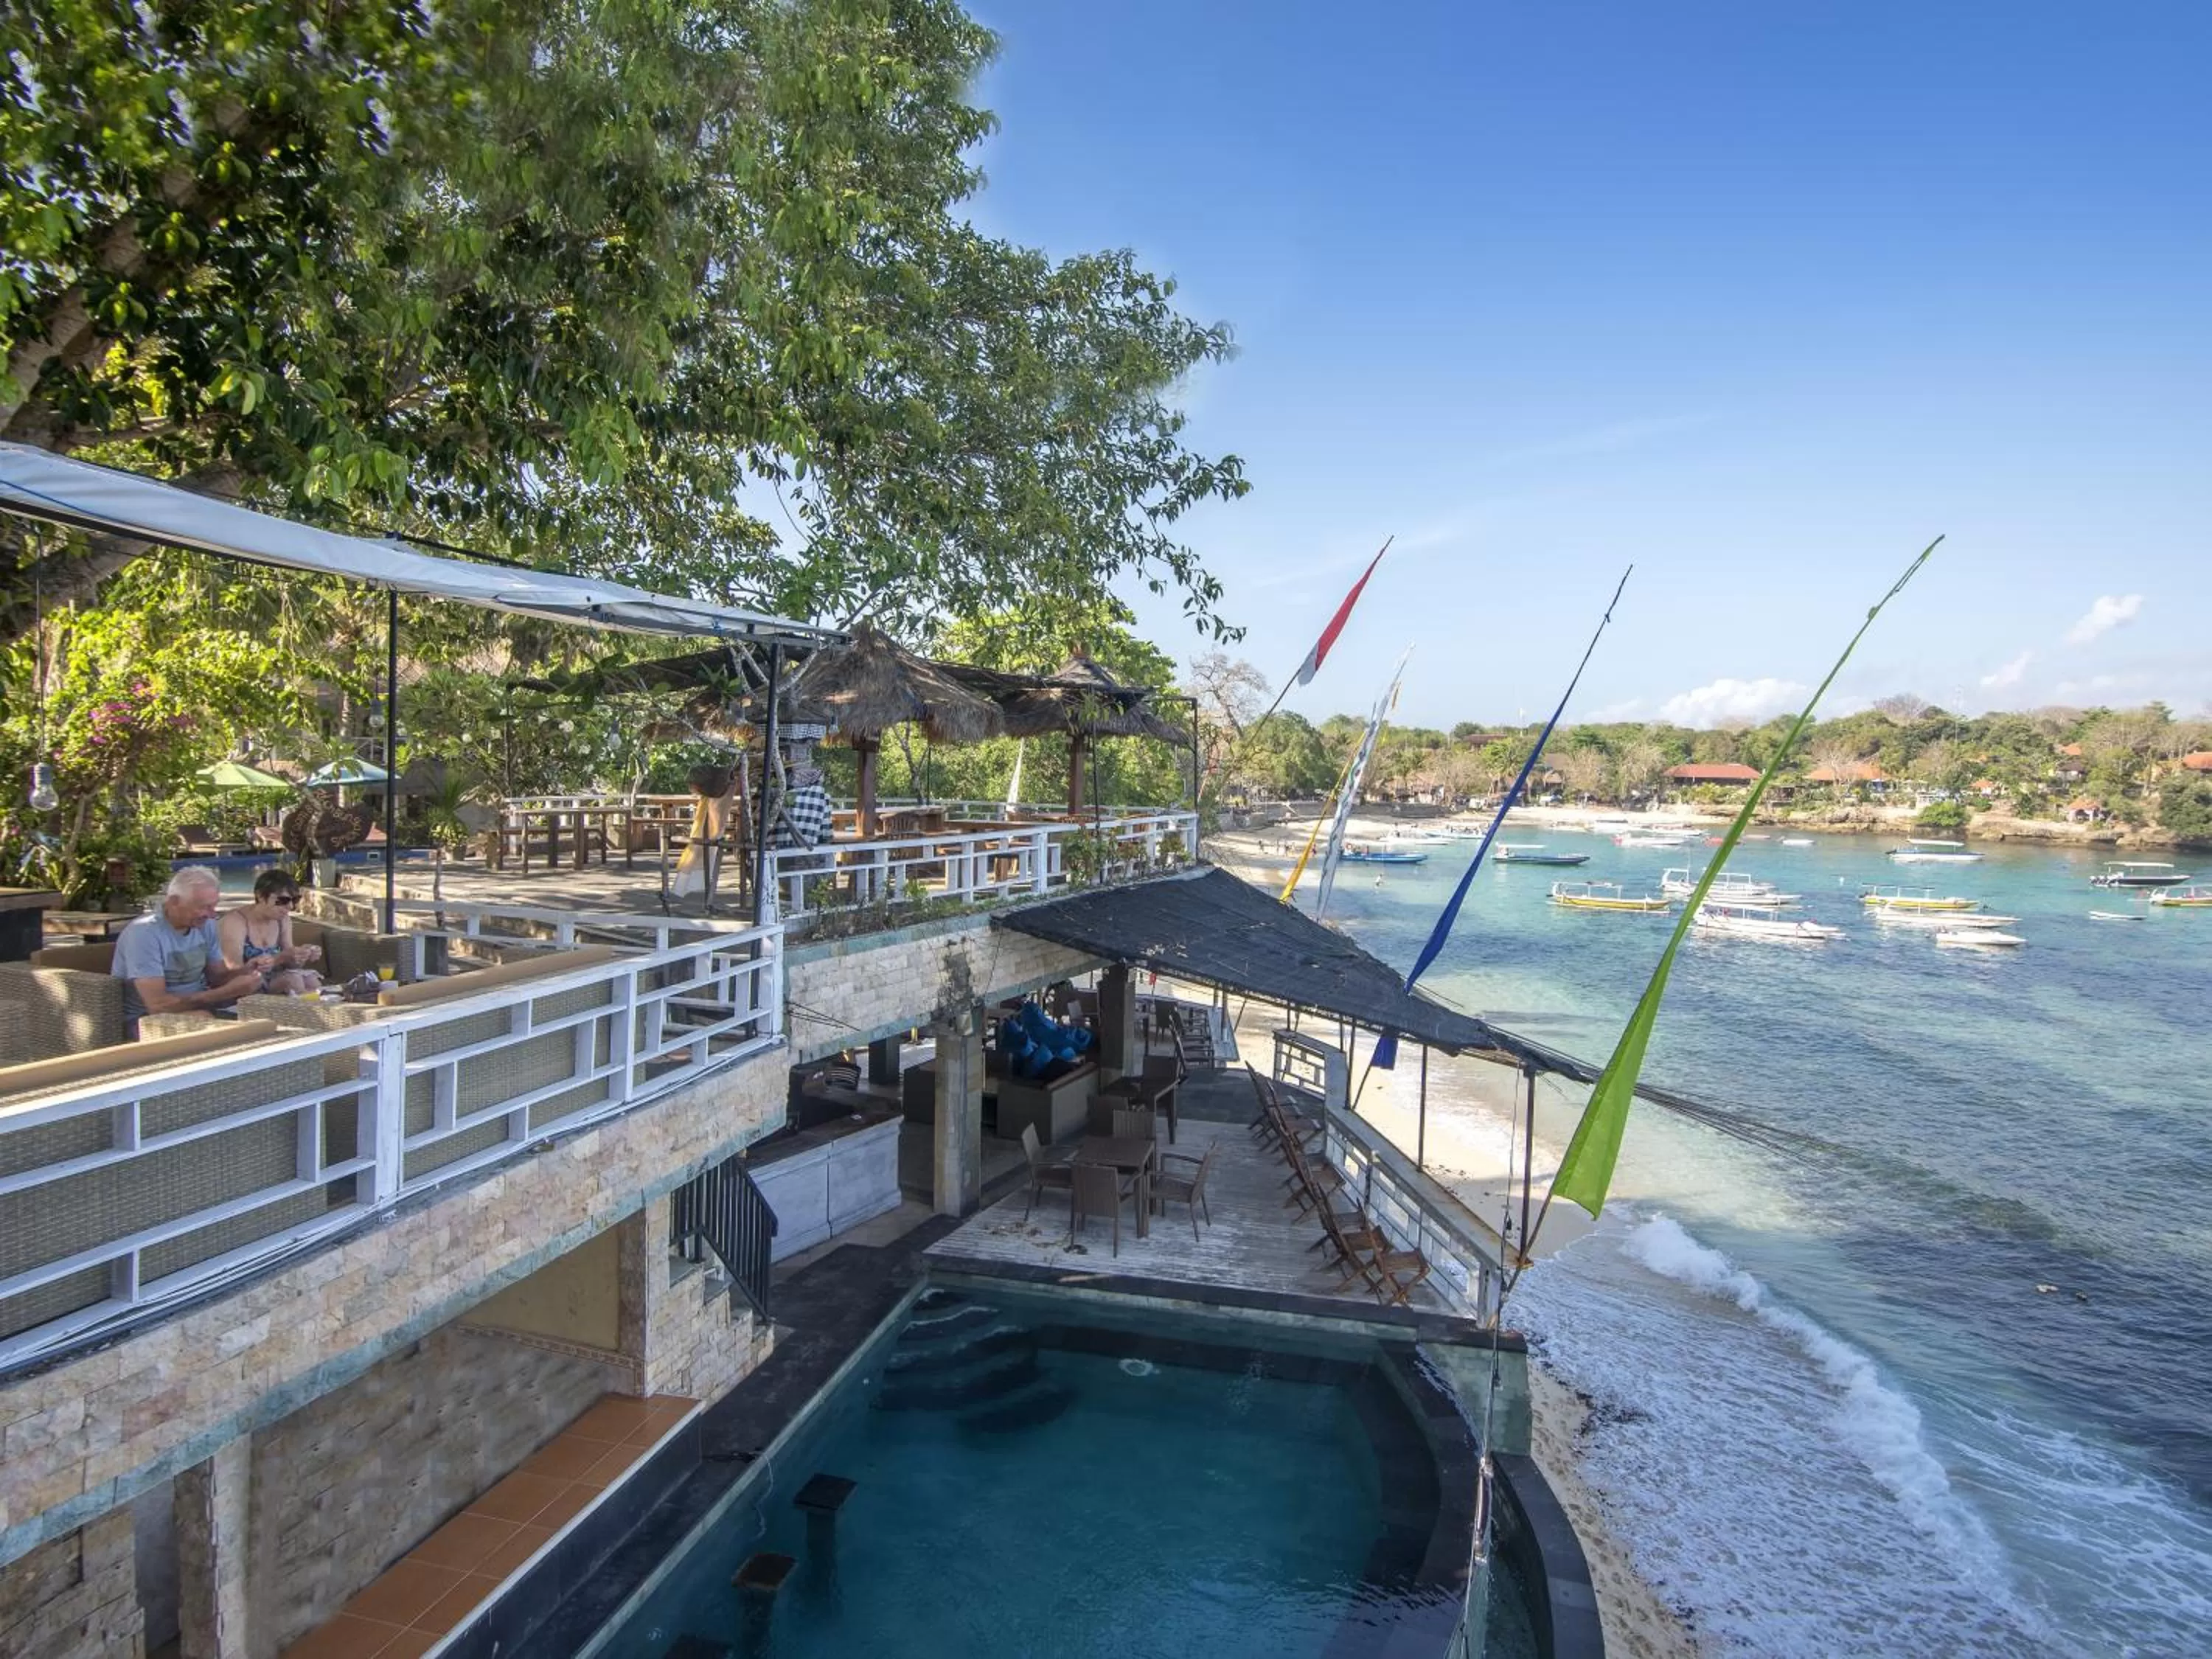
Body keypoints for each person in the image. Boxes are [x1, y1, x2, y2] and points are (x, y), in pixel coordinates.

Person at [111, 866, 265, 1035]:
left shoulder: (205, 926)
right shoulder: (144, 934)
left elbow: (217, 977)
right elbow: (157, 1006)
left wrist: (246, 972)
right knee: (205, 1021)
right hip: (145, 1020)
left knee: (263, 1013)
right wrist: (226, 992)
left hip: (200, 1007)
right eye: (204, 907)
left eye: (213, 906)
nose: (212, 914)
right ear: (174, 902)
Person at [218, 869, 323, 996]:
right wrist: (280, 958)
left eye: (294, 900)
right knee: (293, 980)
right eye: (283, 900)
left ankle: (327, 1013)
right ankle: (310, 1014)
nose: (290, 907)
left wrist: (303, 954)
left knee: (312, 981)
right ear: (261, 896)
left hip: (275, 979)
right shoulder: (235, 922)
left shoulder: (282, 920)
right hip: (246, 983)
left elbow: (292, 964)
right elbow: (234, 972)